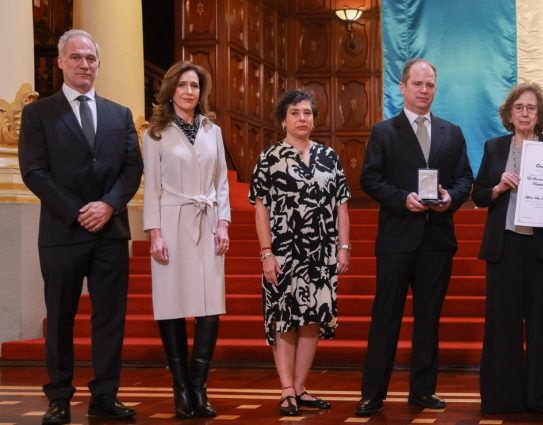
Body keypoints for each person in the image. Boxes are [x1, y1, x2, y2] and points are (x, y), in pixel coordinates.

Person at [18, 29, 143, 425]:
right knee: (59, 318)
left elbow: (132, 168)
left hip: (110, 230)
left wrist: (107, 205)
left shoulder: (118, 114)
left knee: (109, 317)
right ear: (60, 62)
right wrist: (78, 211)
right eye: (76, 58)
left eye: (90, 58)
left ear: (98, 64)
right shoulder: (39, 113)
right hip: (61, 231)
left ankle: (105, 395)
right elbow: (34, 171)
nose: (84, 65)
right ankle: (58, 397)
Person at [356, 58, 473, 416]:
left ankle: (423, 391)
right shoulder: (384, 132)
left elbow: (465, 179)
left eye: (430, 85)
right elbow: (369, 179)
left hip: (436, 240)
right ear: (402, 87)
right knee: (385, 317)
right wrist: (400, 199)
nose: (424, 90)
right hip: (396, 238)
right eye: (418, 84)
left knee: (428, 319)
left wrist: (450, 198)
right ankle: (372, 394)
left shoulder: (451, 132)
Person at [472, 83, 543, 414]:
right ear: (509, 113)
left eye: (531, 108)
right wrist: (499, 187)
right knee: (504, 323)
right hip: (506, 246)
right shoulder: (494, 147)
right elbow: (479, 195)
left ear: (540, 114)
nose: (525, 113)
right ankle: (505, 396)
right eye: (519, 108)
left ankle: (541, 396)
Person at [249, 90, 351, 416]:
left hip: (321, 253)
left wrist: (343, 248)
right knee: (284, 317)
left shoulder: (329, 157)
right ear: (283, 119)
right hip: (283, 252)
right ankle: (286, 389)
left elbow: (342, 207)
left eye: (307, 113)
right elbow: (261, 208)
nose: (302, 118)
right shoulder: (269, 158)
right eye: (295, 113)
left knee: (312, 320)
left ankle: (302, 386)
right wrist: (266, 252)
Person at [142, 61, 230, 418]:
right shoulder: (155, 133)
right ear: (170, 90)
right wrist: (154, 233)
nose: (189, 91)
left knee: (210, 307)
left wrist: (223, 223)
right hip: (171, 219)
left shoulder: (213, 131)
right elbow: (151, 187)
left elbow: (221, 181)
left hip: (207, 220)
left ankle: (199, 386)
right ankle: (180, 388)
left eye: (194, 86)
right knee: (172, 303)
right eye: (182, 86)